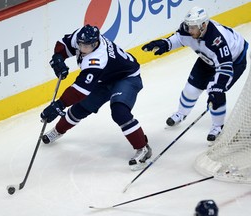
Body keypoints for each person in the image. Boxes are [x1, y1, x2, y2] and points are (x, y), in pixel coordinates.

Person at [40, 24, 152, 170]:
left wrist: (59, 105)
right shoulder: (81, 35)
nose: (83, 49)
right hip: (103, 78)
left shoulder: (97, 59)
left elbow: (80, 90)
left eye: (88, 46)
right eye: (81, 45)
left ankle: (143, 148)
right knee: (80, 108)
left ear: (96, 43)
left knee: (119, 112)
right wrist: (58, 57)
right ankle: (58, 131)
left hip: (126, 78)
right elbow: (63, 44)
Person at [142, 6, 249, 142]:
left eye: (193, 27)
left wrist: (217, 88)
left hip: (233, 62)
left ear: (203, 25)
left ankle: (217, 126)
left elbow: (225, 67)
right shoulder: (189, 30)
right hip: (207, 58)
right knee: (190, 90)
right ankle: (181, 114)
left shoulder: (217, 40)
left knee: (215, 91)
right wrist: (166, 43)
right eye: (188, 26)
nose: (189, 30)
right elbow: (179, 39)